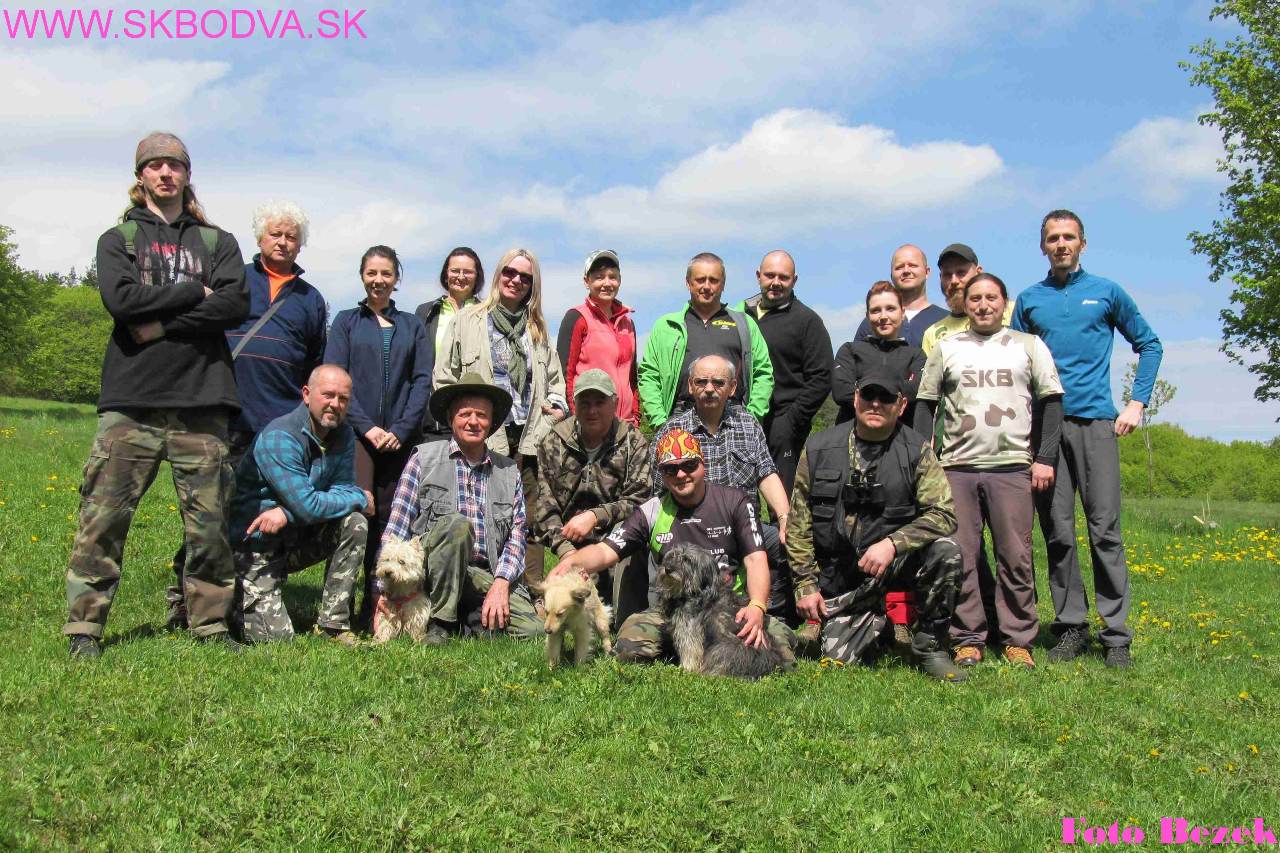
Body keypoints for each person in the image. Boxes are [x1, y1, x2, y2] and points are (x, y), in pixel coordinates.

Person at [64, 131, 249, 658]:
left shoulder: (218, 242)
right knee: (104, 516)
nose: (166, 173)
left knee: (209, 523)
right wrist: (194, 291)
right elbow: (121, 301)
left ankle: (210, 624)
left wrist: (158, 323)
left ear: (187, 176)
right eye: (155, 165)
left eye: (175, 165)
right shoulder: (118, 239)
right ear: (140, 175)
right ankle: (85, 629)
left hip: (203, 398)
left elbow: (234, 306)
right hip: (132, 401)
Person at [166, 199, 328, 630]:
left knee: (257, 508)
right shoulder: (234, 279)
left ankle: (246, 588)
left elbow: (314, 362)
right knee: (209, 509)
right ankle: (184, 601)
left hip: (277, 426)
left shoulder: (311, 300)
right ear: (259, 238)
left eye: (292, 236)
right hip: (226, 415)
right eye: (276, 233)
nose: (283, 241)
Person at [1011, 210, 1163, 668]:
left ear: (1082, 243)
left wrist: (1137, 403)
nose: (1061, 244)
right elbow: (1014, 363)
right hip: (1045, 431)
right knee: (1057, 532)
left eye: (1069, 237)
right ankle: (1072, 627)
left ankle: (1116, 635)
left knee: (1105, 532)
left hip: (1096, 423)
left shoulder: (1106, 292)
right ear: (1042, 247)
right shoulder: (1029, 299)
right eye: (1053, 238)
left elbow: (1150, 344)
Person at [914, 274, 1064, 668]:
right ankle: (967, 638)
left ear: (1004, 303)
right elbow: (926, 404)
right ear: (966, 302)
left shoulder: (1028, 346)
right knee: (962, 555)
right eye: (975, 298)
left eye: (991, 298)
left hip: (1012, 467)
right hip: (957, 468)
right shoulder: (947, 348)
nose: (983, 305)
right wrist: (924, 458)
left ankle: (1018, 639)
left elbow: (1051, 403)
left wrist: (1045, 458)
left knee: (1015, 556)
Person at [547, 429, 796, 665]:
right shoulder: (652, 510)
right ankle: (686, 647)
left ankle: (707, 649)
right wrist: (571, 561)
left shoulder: (736, 502)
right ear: (662, 474)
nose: (680, 475)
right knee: (629, 647)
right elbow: (605, 551)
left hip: (728, 606)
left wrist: (757, 606)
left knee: (781, 650)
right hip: (671, 608)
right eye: (670, 469)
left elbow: (756, 560)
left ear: (703, 464)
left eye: (689, 465)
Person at [786, 369, 965, 681]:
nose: (876, 404)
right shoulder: (818, 449)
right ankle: (874, 625)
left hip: (896, 565)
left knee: (946, 551)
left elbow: (944, 514)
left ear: (901, 405)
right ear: (856, 398)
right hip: (843, 575)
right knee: (839, 659)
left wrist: (893, 544)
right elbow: (799, 524)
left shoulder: (916, 450)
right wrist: (806, 585)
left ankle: (930, 646)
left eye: (886, 398)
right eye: (869, 396)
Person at [434, 248, 568, 599]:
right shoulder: (469, 319)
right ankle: (472, 590)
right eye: (510, 272)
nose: (516, 280)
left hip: (528, 437)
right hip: (483, 435)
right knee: (478, 511)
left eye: (526, 277)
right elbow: (444, 376)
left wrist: (555, 408)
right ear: (497, 275)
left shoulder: (537, 327)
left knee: (530, 520)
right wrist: (460, 419)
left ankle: (531, 594)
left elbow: (556, 382)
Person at [380, 374, 542, 644]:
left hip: (485, 574)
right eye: (465, 413)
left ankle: (470, 617)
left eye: (481, 415)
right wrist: (382, 593)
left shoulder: (509, 471)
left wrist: (501, 584)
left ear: (491, 423)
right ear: (451, 417)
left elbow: (516, 539)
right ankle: (441, 622)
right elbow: (395, 530)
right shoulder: (423, 459)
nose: (473, 422)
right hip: (433, 577)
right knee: (456, 526)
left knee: (532, 631)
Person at [324, 245, 431, 623]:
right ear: (362, 275)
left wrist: (400, 430)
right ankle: (339, 609)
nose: (378, 280)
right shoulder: (346, 322)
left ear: (396, 279)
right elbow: (334, 377)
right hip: (356, 436)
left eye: (386, 274)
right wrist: (366, 426)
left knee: (390, 519)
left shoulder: (412, 326)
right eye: (372, 273)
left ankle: (379, 607)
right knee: (358, 514)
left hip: (400, 440)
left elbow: (421, 382)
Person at [229, 365, 373, 645]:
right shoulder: (280, 437)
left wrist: (285, 512)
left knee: (354, 523)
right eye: (328, 395)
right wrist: (359, 496)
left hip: (294, 537)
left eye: (343, 399)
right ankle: (233, 596)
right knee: (279, 641)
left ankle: (333, 624)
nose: (335, 404)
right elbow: (309, 506)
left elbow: (338, 490)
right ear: (306, 394)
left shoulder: (342, 434)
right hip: (254, 546)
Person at [651, 355, 795, 623]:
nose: (709, 388)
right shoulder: (672, 430)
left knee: (792, 541)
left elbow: (767, 473)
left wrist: (785, 518)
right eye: (701, 381)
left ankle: (776, 613)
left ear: (732, 387)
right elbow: (659, 493)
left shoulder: (748, 424)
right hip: (692, 530)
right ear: (690, 386)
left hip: (743, 527)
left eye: (718, 382)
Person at [531, 369, 651, 626]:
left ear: (615, 404)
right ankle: (545, 603)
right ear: (574, 404)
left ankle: (624, 619)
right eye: (585, 403)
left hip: (615, 541)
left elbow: (640, 502)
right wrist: (566, 554)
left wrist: (596, 516)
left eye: (600, 402)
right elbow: (544, 506)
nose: (592, 410)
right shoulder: (554, 442)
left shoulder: (634, 442)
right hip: (569, 543)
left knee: (630, 535)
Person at [636, 252, 773, 429]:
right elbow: (649, 376)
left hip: (733, 419)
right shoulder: (666, 326)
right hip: (679, 419)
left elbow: (763, 374)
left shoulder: (744, 324)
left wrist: (752, 417)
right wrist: (660, 422)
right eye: (700, 280)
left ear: (723, 284)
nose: (707, 286)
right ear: (688, 282)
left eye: (713, 280)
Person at [735, 250, 833, 493]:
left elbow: (821, 377)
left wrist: (792, 421)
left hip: (784, 422)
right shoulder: (738, 316)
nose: (776, 282)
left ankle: (785, 532)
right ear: (758, 276)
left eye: (783, 277)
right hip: (742, 419)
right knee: (739, 494)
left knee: (783, 498)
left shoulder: (807, 321)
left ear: (794, 280)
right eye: (770, 275)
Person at [557, 249, 639, 426]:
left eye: (612, 277)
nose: (607, 283)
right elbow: (565, 373)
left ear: (620, 280)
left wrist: (636, 418)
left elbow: (632, 378)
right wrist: (573, 419)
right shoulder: (577, 317)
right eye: (599, 277)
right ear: (587, 281)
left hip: (625, 424)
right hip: (589, 423)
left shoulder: (628, 323)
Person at [831, 281, 927, 424]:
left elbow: (915, 392)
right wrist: (898, 388)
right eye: (876, 310)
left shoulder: (916, 356)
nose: (883, 316)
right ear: (868, 316)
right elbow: (841, 392)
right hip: (851, 437)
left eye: (890, 309)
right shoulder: (850, 351)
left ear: (902, 313)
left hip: (899, 440)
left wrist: (861, 386)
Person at [415, 247, 484, 441]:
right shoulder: (426, 312)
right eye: (455, 270)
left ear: (477, 276)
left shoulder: (487, 312)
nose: (460, 276)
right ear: (446, 274)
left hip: (475, 417)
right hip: (435, 418)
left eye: (467, 272)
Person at [850, 244, 949, 347]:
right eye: (899, 267)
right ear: (891, 276)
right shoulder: (873, 322)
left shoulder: (945, 320)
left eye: (913, 265)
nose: (906, 271)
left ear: (927, 272)